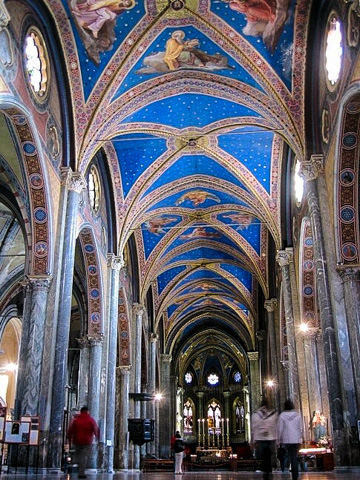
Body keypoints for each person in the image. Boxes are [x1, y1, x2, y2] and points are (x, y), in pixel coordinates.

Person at [68, 406, 100, 479]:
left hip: (77, 441)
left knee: (79, 455)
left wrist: (69, 438)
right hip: (86, 441)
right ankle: (81, 472)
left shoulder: (76, 420)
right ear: (87, 411)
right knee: (84, 457)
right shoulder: (90, 420)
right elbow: (95, 428)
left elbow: (71, 430)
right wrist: (97, 437)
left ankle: (79, 468)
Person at [251, 398, 278, 480]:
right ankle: (269, 471)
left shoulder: (255, 415)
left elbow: (254, 427)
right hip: (271, 437)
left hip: (260, 438)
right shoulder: (274, 414)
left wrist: (253, 440)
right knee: (270, 455)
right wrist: (277, 439)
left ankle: (265, 471)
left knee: (263, 455)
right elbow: (276, 426)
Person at [277, 399, 303, 480]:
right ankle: (295, 474)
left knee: (288, 455)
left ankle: (285, 470)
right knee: (294, 456)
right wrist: (301, 437)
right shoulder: (297, 415)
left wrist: (278, 439)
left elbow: (280, 428)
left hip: (287, 438)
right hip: (295, 438)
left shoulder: (282, 415)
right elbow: (300, 427)